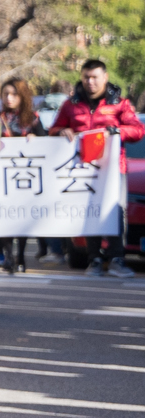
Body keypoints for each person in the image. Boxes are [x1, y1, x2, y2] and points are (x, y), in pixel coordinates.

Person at [49, 57, 143, 273]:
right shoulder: (70, 105)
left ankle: (117, 259)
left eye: (94, 77)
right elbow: (53, 129)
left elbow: (138, 130)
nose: (90, 82)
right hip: (83, 170)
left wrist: (116, 131)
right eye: (86, 77)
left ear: (105, 77)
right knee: (89, 211)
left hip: (114, 169)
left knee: (114, 211)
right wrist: (62, 131)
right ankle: (95, 260)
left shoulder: (120, 104)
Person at [0, 76, 45, 273]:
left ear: (22, 96)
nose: (9, 98)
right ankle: (8, 255)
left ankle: (21, 256)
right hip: (2, 177)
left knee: (22, 218)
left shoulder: (32, 119)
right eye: (6, 94)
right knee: (4, 217)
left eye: (14, 94)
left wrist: (35, 137)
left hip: (25, 177)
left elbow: (46, 142)